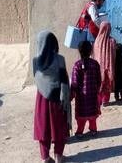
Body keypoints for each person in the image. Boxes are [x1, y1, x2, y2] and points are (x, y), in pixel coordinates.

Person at [33, 30, 71, 163]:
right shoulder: (60, 59)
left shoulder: (35, 61)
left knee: (43, 128)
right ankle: (58, 157)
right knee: (59, 128)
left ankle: (45, 158)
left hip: (42, 100)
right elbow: (64, 80)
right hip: (57, 99)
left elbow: (37, 80)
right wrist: (67, 97)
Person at [71, 41, 102, 138]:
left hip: (81, 97)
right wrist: (96, 89)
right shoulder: (95, 64)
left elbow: (74, 83)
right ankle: (93, 130)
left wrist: (72, 93)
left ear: (79, 51)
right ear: (90, 51)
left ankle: (80, 132)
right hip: (93, 95)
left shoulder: (77, 65)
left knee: (81, 116)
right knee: (92, 115)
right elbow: (99, 80)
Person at [93, 21, 116, 106]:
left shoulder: (97, 41)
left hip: (98, 68)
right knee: (107, 84)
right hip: (108, 66)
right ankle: (105, 100)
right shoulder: (112, 41)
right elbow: (114, 55)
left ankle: (99, 100)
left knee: (99, 84)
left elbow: (94, 54)